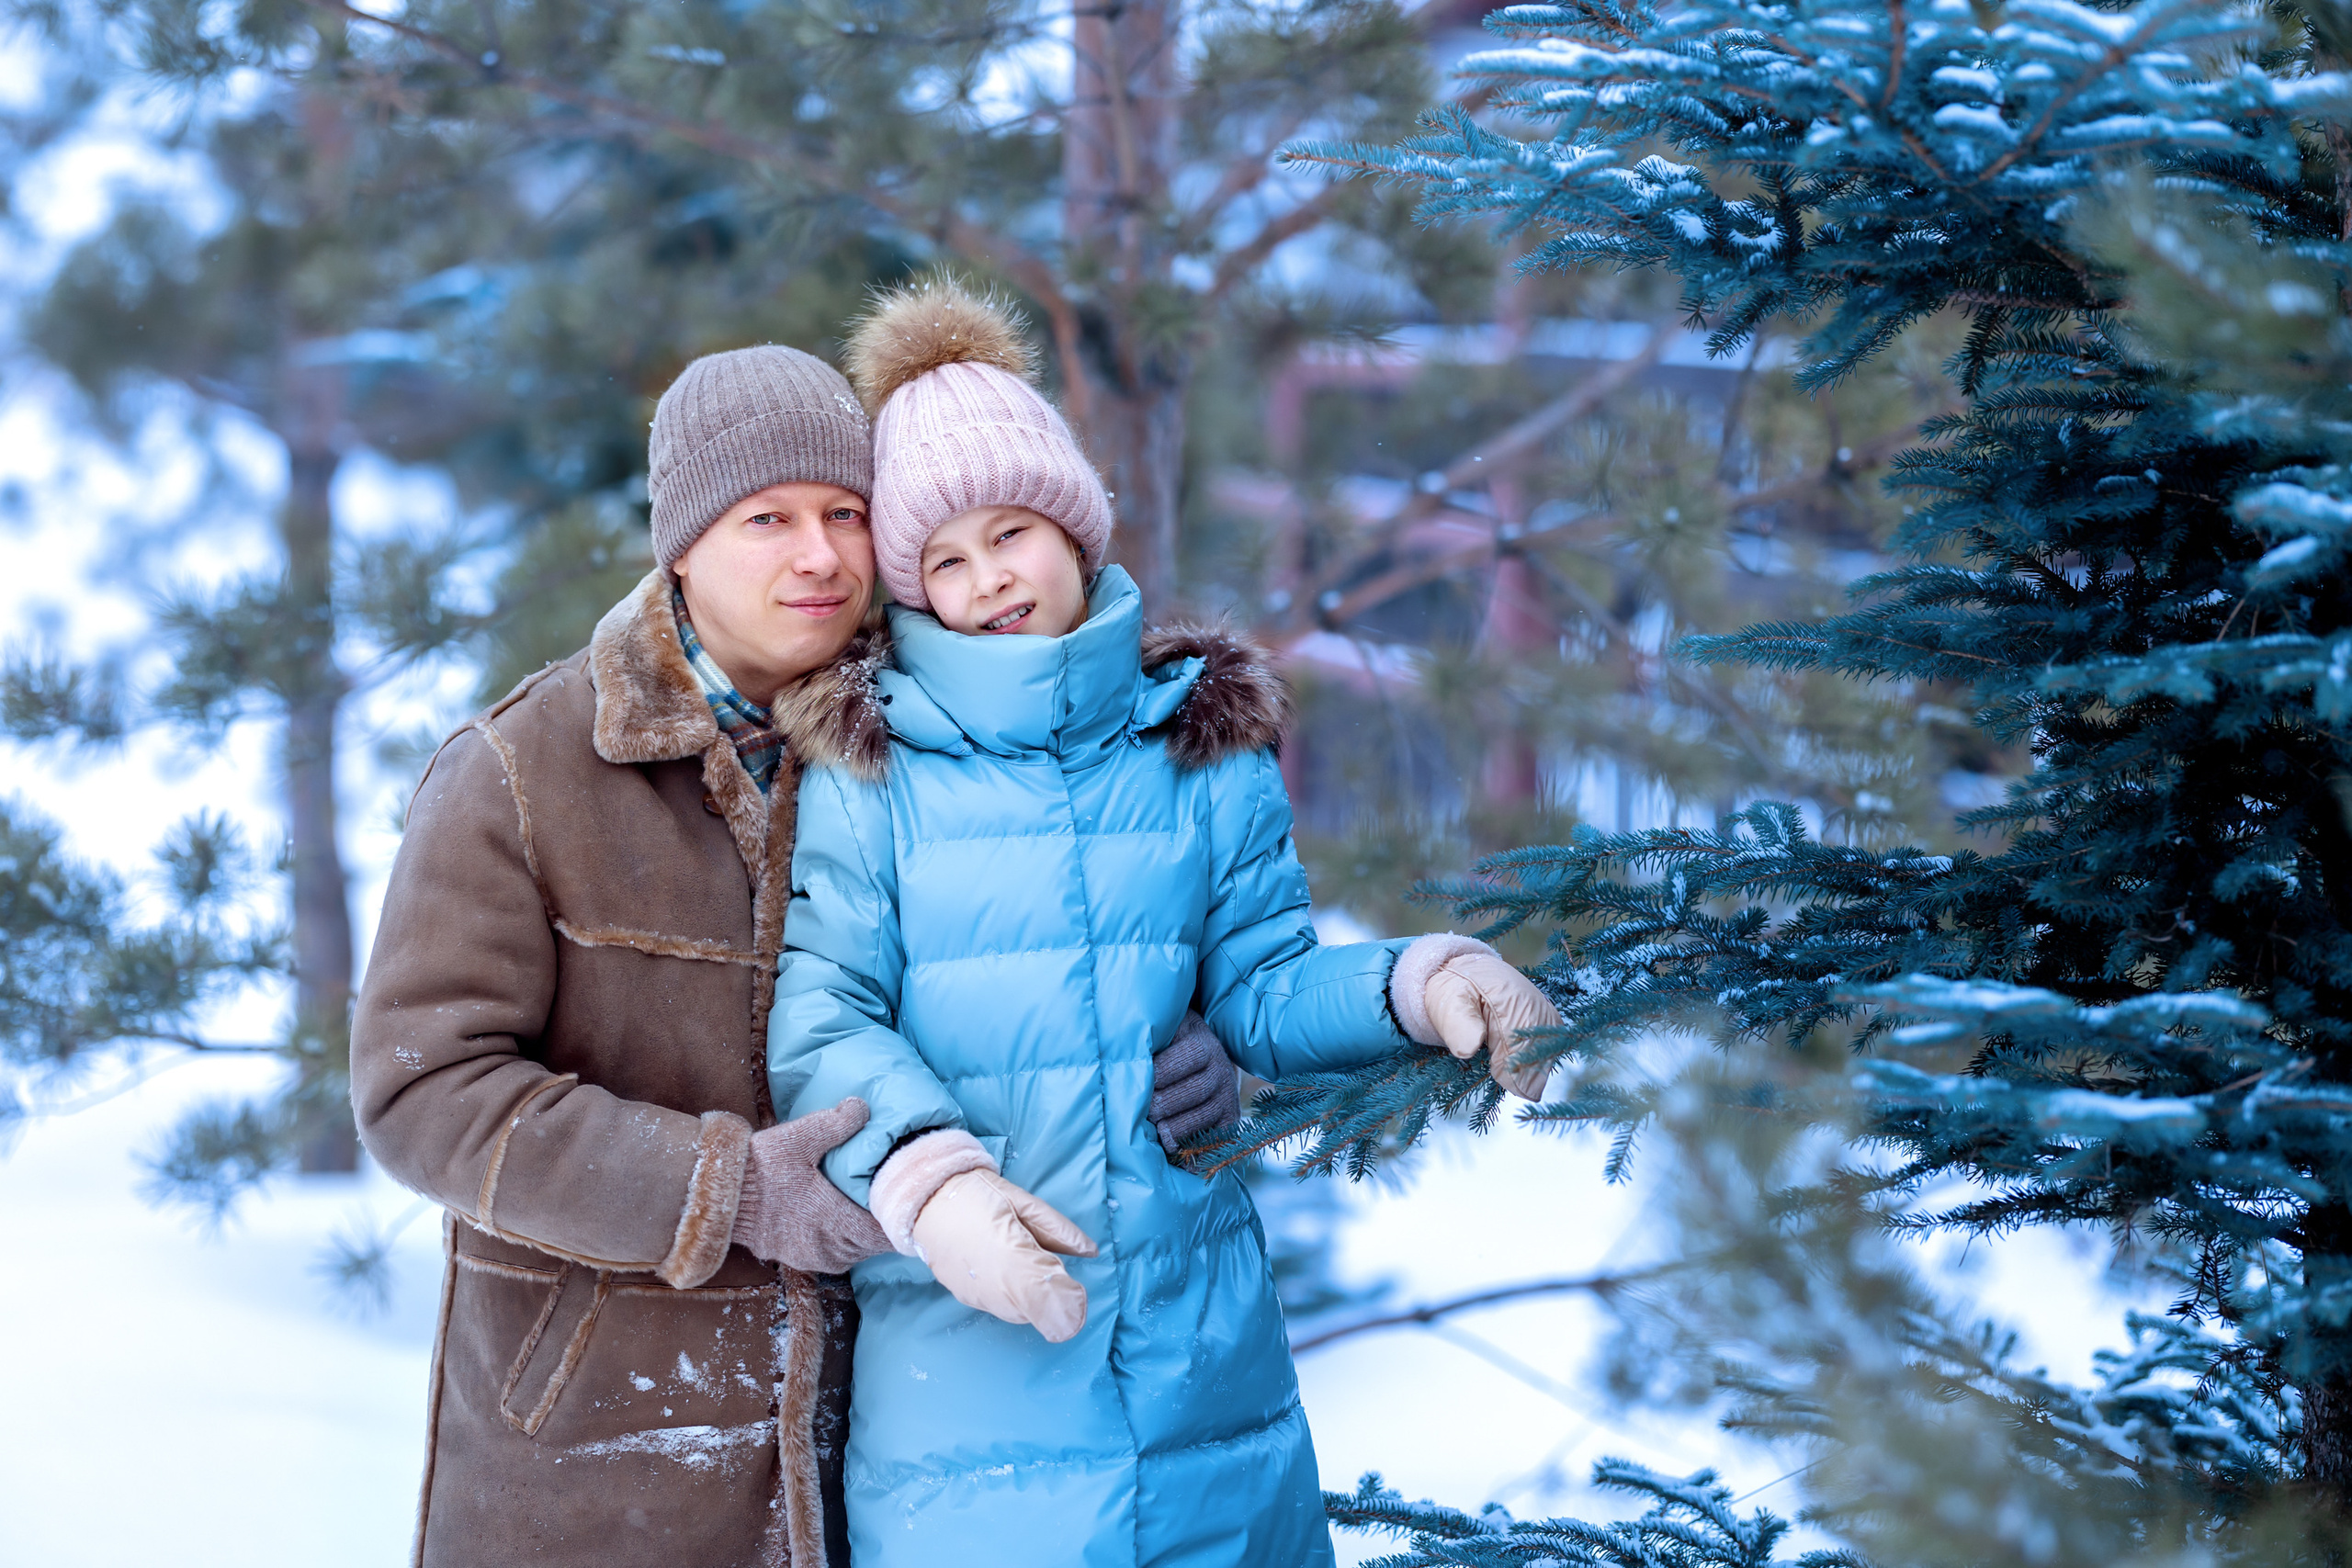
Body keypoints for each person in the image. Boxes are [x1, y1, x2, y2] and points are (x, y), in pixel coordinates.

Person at [349, 338, 1247, 1568]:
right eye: (767, 519)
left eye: (845, 514)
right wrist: (728, 1191)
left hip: (883, 1457)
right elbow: (422, 1092)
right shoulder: (520, 773)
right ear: (682, 545)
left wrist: (1197, 1046)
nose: (819, 555)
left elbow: (1082, 945)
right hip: (604, 1456)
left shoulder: (939, 735)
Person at [765, 279, 1561, 1568]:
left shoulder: (1200, 750)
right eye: (945, 560)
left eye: (1012, 532)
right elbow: (822, 1015)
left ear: (1075, 530)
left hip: (1201, 1346)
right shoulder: (876, 773)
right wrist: (935, 1186)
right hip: (969, 1361)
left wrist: (1417, 983)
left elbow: (1267, 988)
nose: (988, 579)